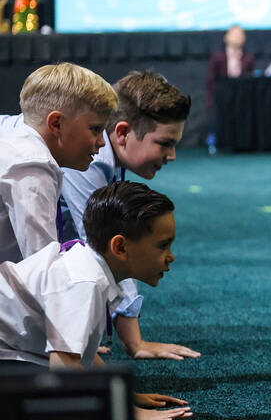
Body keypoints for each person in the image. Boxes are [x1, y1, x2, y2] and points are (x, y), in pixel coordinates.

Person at [0, 180, 192, 419]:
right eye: (163, 246)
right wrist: (130, 413)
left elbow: (82, 352)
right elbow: (64, 367)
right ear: (120, 247)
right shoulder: (85, 282)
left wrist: (122, 393)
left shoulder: (90, 268)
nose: (171, 257)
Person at [59, 71, 200, 361]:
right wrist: (135, 342)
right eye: (164, 143)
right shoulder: (91, 160)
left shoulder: (105, 158)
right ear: (122, 133)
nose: (171, 155)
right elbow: (104, 250)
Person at [0, 63, 116, 264]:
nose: (102, 142)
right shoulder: (33, 166)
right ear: (56, 124)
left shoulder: (21, 149)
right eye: (95, 129)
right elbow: (43, 272)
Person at [206, 24, 255, 110]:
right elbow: (211, 82)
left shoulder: (248, 59)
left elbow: (250, 81)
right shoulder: (218, 58)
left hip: (241, 98)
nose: (236, 37)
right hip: (221, 97)